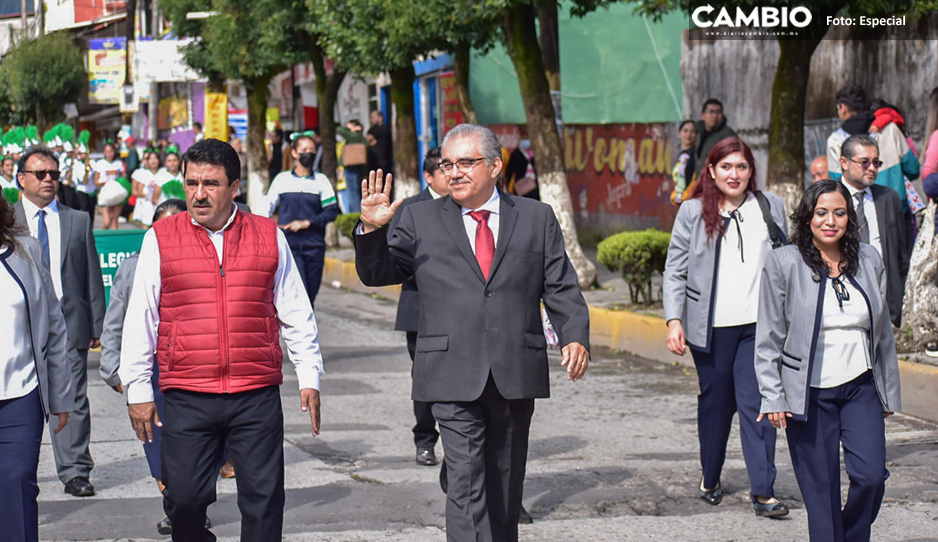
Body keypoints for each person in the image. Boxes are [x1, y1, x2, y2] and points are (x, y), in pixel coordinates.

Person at [355, 123, 590, 542]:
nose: (455, 172)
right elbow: (377, 273)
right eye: (448, 164)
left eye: (467, 162)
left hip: (515, 368)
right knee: (464, 481)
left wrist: (575, 335)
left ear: (495, 166)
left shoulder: (536, 217)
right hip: (449, 371)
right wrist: (372, 229)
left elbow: (560, 284)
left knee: (505, 481)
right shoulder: (419, 217)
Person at [119, 138, 324, 541]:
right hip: (187, 393)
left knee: (264, 501)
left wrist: (309, 374)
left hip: (255, 393)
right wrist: (138, 389)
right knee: (185, 500)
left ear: (234, 188)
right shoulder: (160, 238)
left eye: (211, 184)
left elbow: (296, 311)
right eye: (191, 182)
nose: (198, 194)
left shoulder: (268, 236)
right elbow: (140, 317)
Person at [755, 179, 901, 542]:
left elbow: (882, 335)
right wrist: (773, 395)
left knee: (870, 476)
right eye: (821, 213)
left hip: (860, 387)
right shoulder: (783, 262)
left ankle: (851, 535)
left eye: (839, 213)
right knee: (821, 493)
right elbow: (769, 337)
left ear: (850, 218)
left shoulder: (868, 258)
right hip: (808, 393)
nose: (830, 220)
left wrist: (888, 391)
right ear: (807, 218)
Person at [662, 137, 790, 517]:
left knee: (759, 403)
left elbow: (787, 259)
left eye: (742, 167)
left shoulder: (770, 206)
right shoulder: (692, 211)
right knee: (717, 406)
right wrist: (673, 319)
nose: (734, 175)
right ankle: (710, 475)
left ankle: (764, 492)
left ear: (751, 170)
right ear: (712, 171)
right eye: (726, 167)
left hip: (760, 328)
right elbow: (676, 269)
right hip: (711, 330)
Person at [13, 146, 106, 498]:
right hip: (19, 328)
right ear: (21, 179)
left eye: (54, 174)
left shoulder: (77, 219)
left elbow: (91, 275)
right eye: (41, 174)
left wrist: (97, 323)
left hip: (69, 323)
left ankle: (75, 470)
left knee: (73, 398)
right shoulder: (9, 222)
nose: (49, 179)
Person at [99, 199, 191, 534]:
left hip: (193, 366)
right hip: (148, 368)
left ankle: (191, 503)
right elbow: (116, 321)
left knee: (197, 443)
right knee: (157, 444)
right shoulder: (132, 266)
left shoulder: (205, 261)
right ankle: (176, 507)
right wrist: (113, 368)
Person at [0, 196, 73, 542]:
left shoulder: (26, 252)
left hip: (21, 395)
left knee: (17, 482)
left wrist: (60, 395)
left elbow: (54, 324)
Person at [389, 147, 448, 467]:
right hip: (421, 307)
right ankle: (425, 439)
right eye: (444, 169)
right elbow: (396, 256)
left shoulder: (467, 205)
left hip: (462, 310)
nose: (453, 175)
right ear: (428, 176)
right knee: (425, 377)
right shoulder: (411, 209)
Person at [836, 135, 912, 327]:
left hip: (886, 296)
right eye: (864, 162)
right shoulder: (829, 197)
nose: (872, 168)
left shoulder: (888, 198)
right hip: (844, 295)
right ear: (844, 163)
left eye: (876, 162)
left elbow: (902, 251)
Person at [265, 134, 340, 309]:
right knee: (300, 295)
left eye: (312, 150)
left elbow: (331, 211)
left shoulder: (321, 181)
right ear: (294, 153)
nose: (308, 154)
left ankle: (307, 332)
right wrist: (269, 228)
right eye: (304, 150)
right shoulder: (282, 180)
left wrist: (308, 222)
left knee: (310, 295)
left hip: (314, 246)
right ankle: (301, 334)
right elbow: (267, 206)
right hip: (289, 246)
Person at [826, 84, 919, 209]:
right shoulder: (890, 129)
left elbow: (838, 182)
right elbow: (913, 169)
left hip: (858, 213)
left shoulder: (836, 140)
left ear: (842, 108)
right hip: (897, 208)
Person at [694, 99, 737, 178]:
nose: (714, 116)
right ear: (703, 116)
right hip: (701, 180)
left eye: (718, 112)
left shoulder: (727, 135)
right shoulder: (699, 133)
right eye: (711, 112)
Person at [94, 142, 127, 230]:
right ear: (104, 152)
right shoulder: (100, 163)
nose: (109, 154)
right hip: (105, 193)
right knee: (107, 222)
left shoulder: (118, 163)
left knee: (115, 221)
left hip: (117, 192)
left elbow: (122, 179)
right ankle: (102, 240)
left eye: (111, 151)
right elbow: (96, 182)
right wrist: (105, 183)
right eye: (107, 152)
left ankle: (115, 242)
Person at [338, 120, 368, 213]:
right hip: (359, 167)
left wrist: (351, 129)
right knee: (357, 191)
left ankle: (355, 213)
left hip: (351, 166)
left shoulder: (354, 136)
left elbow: (339, 129)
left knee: (352, 192)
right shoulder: (362, 137)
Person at [132, 149, 163, 227]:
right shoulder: (144, 174)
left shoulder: (163, 173)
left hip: (160, 203)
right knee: (146, 227)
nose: (153, 161)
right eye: (150, 159)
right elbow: (139, 191)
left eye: (155, 158)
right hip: (147, 204)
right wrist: (148, 194)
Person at [671, 120, 698, 204]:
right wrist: (678, 198)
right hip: (681, 199)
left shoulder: (696, 154)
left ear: (697, 135)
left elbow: (696, 179)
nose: (688, 135)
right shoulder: (681, 155)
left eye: (692, 131)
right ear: (679, 133)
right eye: (685, 131)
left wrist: (687, 197)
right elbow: (679, 182)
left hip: (691, 199)